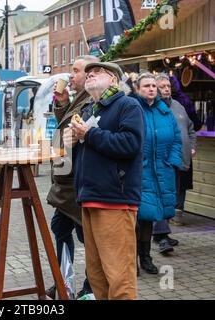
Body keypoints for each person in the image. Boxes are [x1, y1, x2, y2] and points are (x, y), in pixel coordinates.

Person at [66, 62, 145, 300]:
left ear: (113, 79)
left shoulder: (128, 105)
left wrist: (89, 134)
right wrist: (73, 142)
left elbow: (130, 144)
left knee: (119, 276)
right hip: (90, 198)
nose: (90, 73)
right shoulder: (91, 109)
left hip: (115, 200)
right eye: (87, 72)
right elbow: (92, 150)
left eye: (97, 71)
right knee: (97, 276)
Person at [46, 55, 99, 300]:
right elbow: (64, 123)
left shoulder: (93, 100)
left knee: (85, 235)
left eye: (75, 70)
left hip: (78, 180)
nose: (70, 75)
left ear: (89, 75)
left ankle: (89, 286)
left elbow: (78, 134)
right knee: (63, 228)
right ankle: (63, 281)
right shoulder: (80, 97)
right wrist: (63, 100)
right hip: (68, 180)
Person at [134, 73, 182, 274]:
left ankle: (145, 257)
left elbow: (177, 140)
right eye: (146, 86)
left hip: (161, 171)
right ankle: (131, 260)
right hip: (138, 172)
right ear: (137, 89)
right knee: (135, 218)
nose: (152, 89)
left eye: (154, 85)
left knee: (149, 217)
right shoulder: (133, 110)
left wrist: (172, 162)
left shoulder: (165, 112)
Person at [152, 74, 197, 249]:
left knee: (172, 198)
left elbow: (191, 128)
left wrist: (192, 146)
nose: (166, 89)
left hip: (180, 160)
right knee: (162, 197)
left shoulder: (178, 106)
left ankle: (162, 233)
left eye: (168, 86)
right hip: (162, 162)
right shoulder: (153, 108)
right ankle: (161, 237)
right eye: (162, 86)